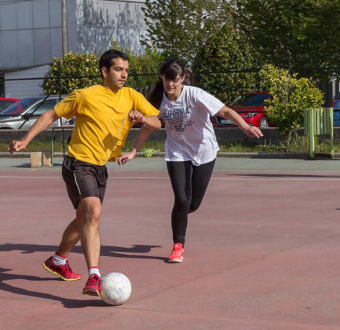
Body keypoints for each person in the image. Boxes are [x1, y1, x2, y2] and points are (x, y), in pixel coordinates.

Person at [8, 49, 161, 296]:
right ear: (105, 71)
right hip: (78, 163)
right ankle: (94, 276)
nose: (124, 75)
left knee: (84, 220)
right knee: (94, 212)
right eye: (119, 70)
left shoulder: (131, 96)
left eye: (126, 71)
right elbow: (50, 114)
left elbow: (158, 122)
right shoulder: (85, 96)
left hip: (100, 167)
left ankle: (58, 261)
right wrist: (25, 140)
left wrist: (142, 117)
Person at [119, 59, 263, 263]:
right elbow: (149, 126)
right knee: (181, 199)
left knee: (192, 204)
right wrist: (133, 151)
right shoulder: (159, 100)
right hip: (177, 152)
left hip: (204, 151)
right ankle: (178, 246)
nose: (170, 84)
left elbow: (225, 111)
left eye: (175, 80)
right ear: (162, 78)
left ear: (182, 78)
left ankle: (181, 215)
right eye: (167, 79)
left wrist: (245, 126)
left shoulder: (194, 94)